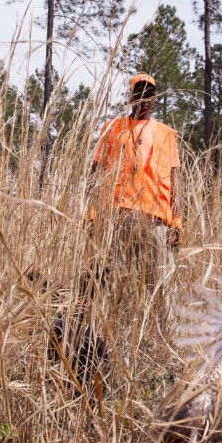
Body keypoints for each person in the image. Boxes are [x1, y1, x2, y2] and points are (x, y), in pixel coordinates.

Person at [89, 72, 182, 298]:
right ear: (130, 97)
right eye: (139, 93)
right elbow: (96, 173)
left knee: (159, 288)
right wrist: (92, 215)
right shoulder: (112, 128)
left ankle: (160, 333)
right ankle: (103, 331)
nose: (144, 99)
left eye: (149, 94)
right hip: (118, 217)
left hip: (156, 220)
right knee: (111, 283)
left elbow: (175, 180)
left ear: (156, 98)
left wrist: (177, 222)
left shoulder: (167, 133)